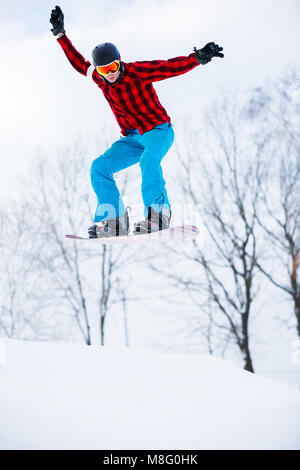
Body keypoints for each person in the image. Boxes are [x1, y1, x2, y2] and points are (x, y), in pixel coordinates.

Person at [50, 5, 224, 238]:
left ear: (119, 62)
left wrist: (197, 58)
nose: (110, 74)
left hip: (158, 130)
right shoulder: (101, 80)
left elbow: (168, 67)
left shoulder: (137, 72)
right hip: (132, 138)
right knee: (99, 167)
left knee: (148, 160)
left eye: (113, 67)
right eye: (104, 70)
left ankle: (158, 215)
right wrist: (61, 36)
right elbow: (79, 63)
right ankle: (114, 221)